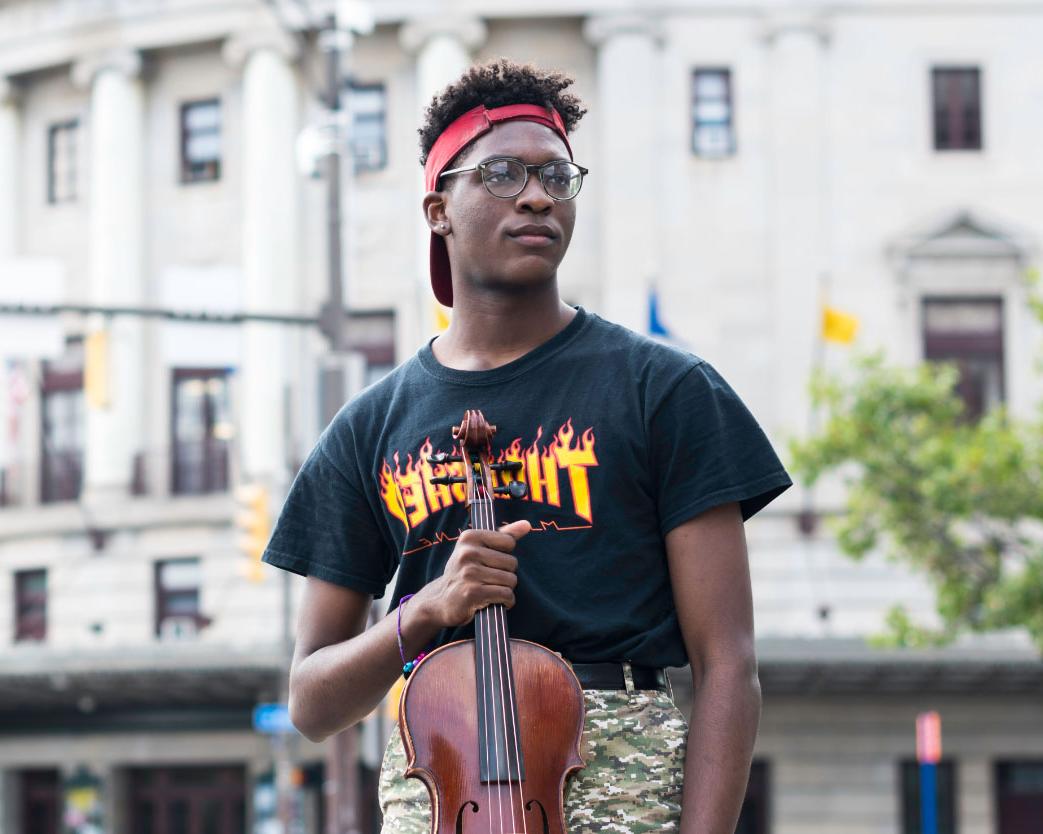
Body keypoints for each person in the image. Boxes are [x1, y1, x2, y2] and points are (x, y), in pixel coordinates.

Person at [262, 59, 792, 834]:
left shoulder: (665, 390)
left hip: (622, 777)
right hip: (441, 783)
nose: (538, 195)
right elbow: (312, 703)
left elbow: (726, 665)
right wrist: (424, 611)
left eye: (556, 177)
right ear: (438, 208)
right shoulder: (367, 428)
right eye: (502, 174)